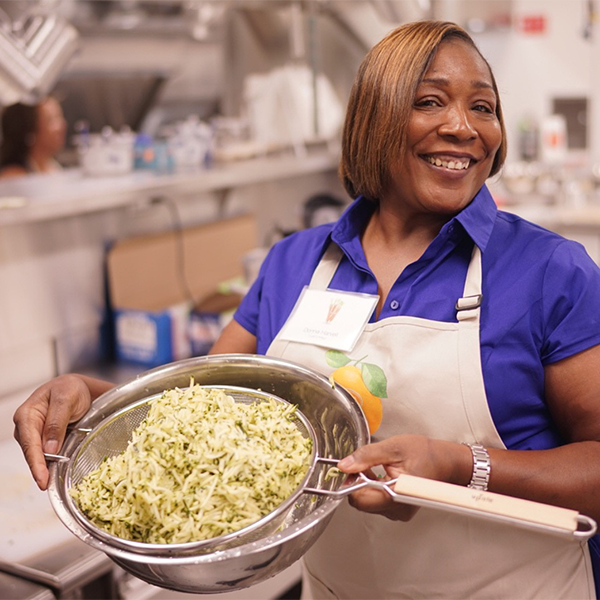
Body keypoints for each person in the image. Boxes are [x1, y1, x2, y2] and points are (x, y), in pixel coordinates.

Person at [12, 20, 600, 599]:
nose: (463, 127)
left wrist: (459, 465)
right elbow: (200, 410)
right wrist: (98, 401)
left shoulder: (550, 271)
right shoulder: (295, 263)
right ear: (376, 119)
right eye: (431, 102)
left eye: (483, 107)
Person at [0, 96, 66, 178]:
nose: (62, 125)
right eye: (51, 120)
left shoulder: (53, 167)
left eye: (59, 116)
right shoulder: (14, 177)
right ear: (30, 131)